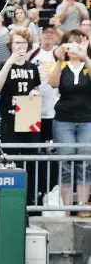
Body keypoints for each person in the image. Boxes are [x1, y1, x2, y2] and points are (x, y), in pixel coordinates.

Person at [48, 29, 91, 215]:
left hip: (87, 120)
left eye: (77, 43)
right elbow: (53, 83)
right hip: (64, 119)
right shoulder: (62, 66)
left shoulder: (88, 65)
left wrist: (85, 56)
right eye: (70, 43)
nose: (73, 47)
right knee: (65, 162)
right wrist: (58, 60)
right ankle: (66, 208)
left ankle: (81, 206)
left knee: (85, 163)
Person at [0, 28, 41, 144]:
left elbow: (37, 89)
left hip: (28, 116)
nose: (20, 46)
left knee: (30, 157)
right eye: (17, 43)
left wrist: (35, 93)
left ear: (28, 45)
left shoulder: (33, 67)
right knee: (11, 156)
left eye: (23, 43)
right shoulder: (3, 65)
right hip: (9, 117)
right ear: (11, 45)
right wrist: (10, 62)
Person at [28, 24, 59, 142]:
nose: (49, 35)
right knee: (36, 140)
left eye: (52, 32)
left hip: (53, 105)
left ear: (56, 36)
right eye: (46, 32)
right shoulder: (33, 54)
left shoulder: (58, 55)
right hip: (35, 106)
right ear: (41, 35)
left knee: (50, 140)